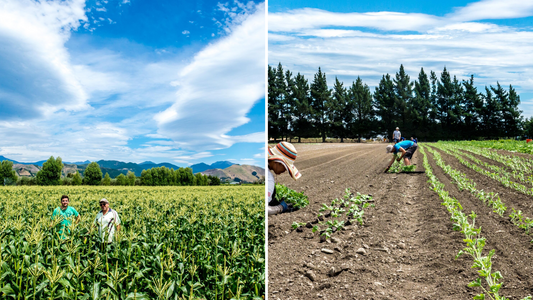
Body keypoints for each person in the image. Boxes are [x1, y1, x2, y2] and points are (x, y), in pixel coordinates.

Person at [267, 142, 302, 215]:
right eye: (285, 167)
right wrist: (281, 207)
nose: (285, 170)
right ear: (279, 162)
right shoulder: (268, 178)